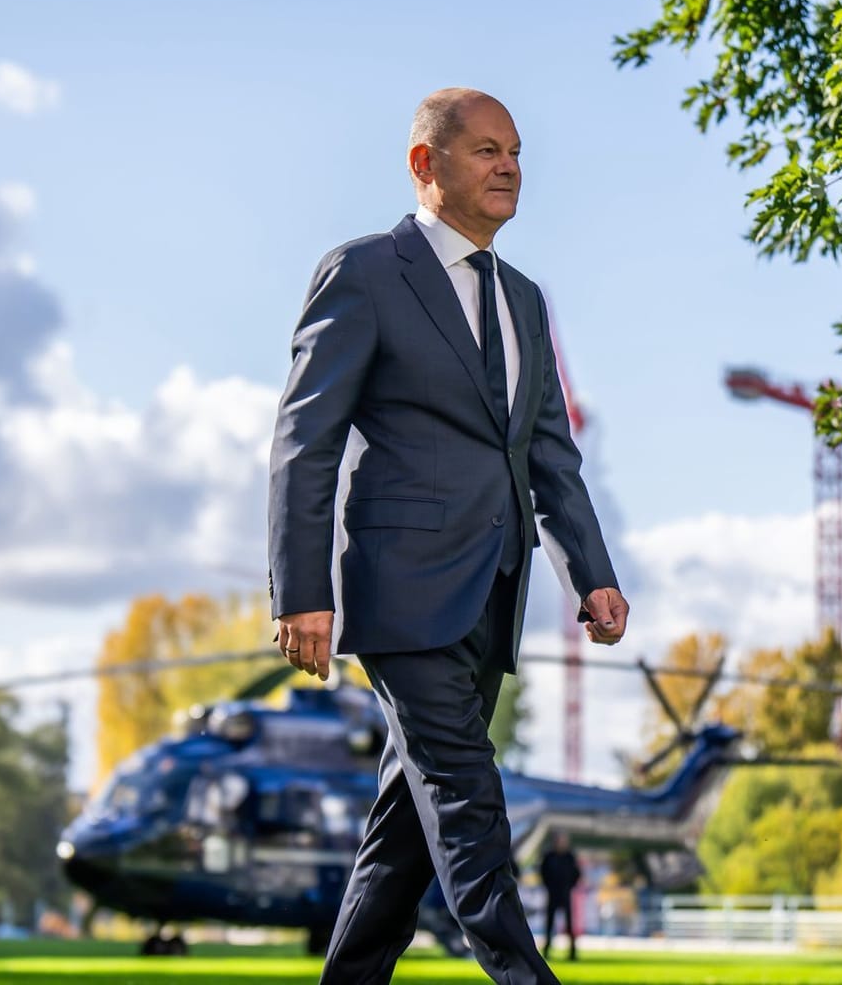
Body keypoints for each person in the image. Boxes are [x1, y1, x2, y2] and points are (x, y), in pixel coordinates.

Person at [268, 88, 629, 985]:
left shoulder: (526, 298)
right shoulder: (364, 272)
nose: (508, 166)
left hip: (491, 593)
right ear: (426, 165)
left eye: (515, 153)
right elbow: (304, 441)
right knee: (468, 795)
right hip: (400, 589)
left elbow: (550, 452)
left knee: (406, 827)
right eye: (485, 151)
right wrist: (302, 591)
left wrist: (591, 573)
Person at [539, 833, 582, 961]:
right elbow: (543, 872)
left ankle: (572, 952)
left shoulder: (569, 857)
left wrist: (569, 886)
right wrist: (549, 886)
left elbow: (576, 874)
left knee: (569, 925)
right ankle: (547, 950)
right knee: (549, 924)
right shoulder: (549, 856)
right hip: (552, 894)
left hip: (565, 894)